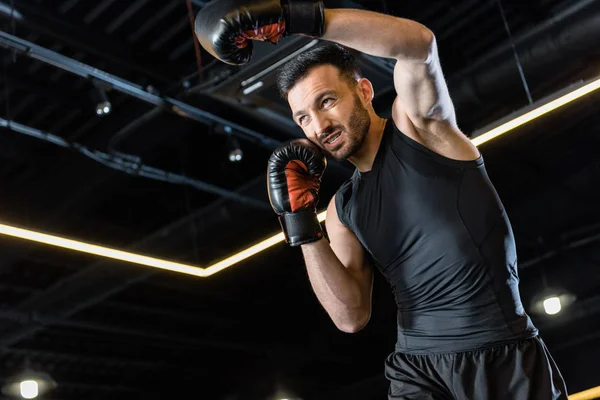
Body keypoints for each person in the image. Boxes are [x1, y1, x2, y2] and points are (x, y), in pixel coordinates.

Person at [195, 1, 568, 398]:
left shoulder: (420, 128)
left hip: (501, 355)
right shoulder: (342, 208)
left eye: (326, 101)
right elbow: (351, 316)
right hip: (417, 369)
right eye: (303, 117)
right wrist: (300, 222)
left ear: (364, 89)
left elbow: (420, 44)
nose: (319, 126)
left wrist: (295, 19)